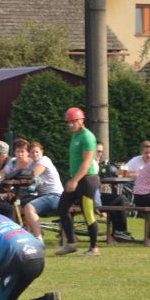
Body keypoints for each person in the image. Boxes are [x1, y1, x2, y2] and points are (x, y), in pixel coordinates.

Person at [57, 107, 100, 257]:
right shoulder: (75, 136)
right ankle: (71, 243)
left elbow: (87, 163)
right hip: (77, 178)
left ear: (81, 120)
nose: (70, 125)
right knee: (62, 208)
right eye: (68, 122)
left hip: (87, 180)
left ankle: (94, 248)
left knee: (88, 213)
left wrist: (74, 180)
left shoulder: (87, 137)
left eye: (74, 121)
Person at [20, 141, 65, 239]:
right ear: (29, 153)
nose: (35, 154)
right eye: (32, 152)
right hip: (44, 195)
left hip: (55, 196)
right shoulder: (32, 163)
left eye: (37, 152)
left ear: (42, 152)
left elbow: (31, 175)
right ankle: (27, 233)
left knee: (29, 207)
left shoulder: (44, 160)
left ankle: (38, 237)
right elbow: (22, 173)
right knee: (19, 205)